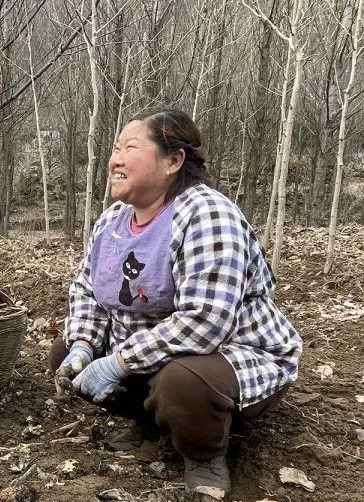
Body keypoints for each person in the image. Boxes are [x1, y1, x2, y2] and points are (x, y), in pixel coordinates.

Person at [52, 109, 302, 502]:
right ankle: (152, 425)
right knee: (65, 354)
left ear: (172, 161)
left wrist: (117, 363)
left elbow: (205, 322)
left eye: (129, 148)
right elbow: (88, 288)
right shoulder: (112, 221)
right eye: (115, 149)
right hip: (151, 351)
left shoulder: (207, 214)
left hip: (229, 353)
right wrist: (84, 345)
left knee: (181, 383)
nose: (115, 160)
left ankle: (204, 454)